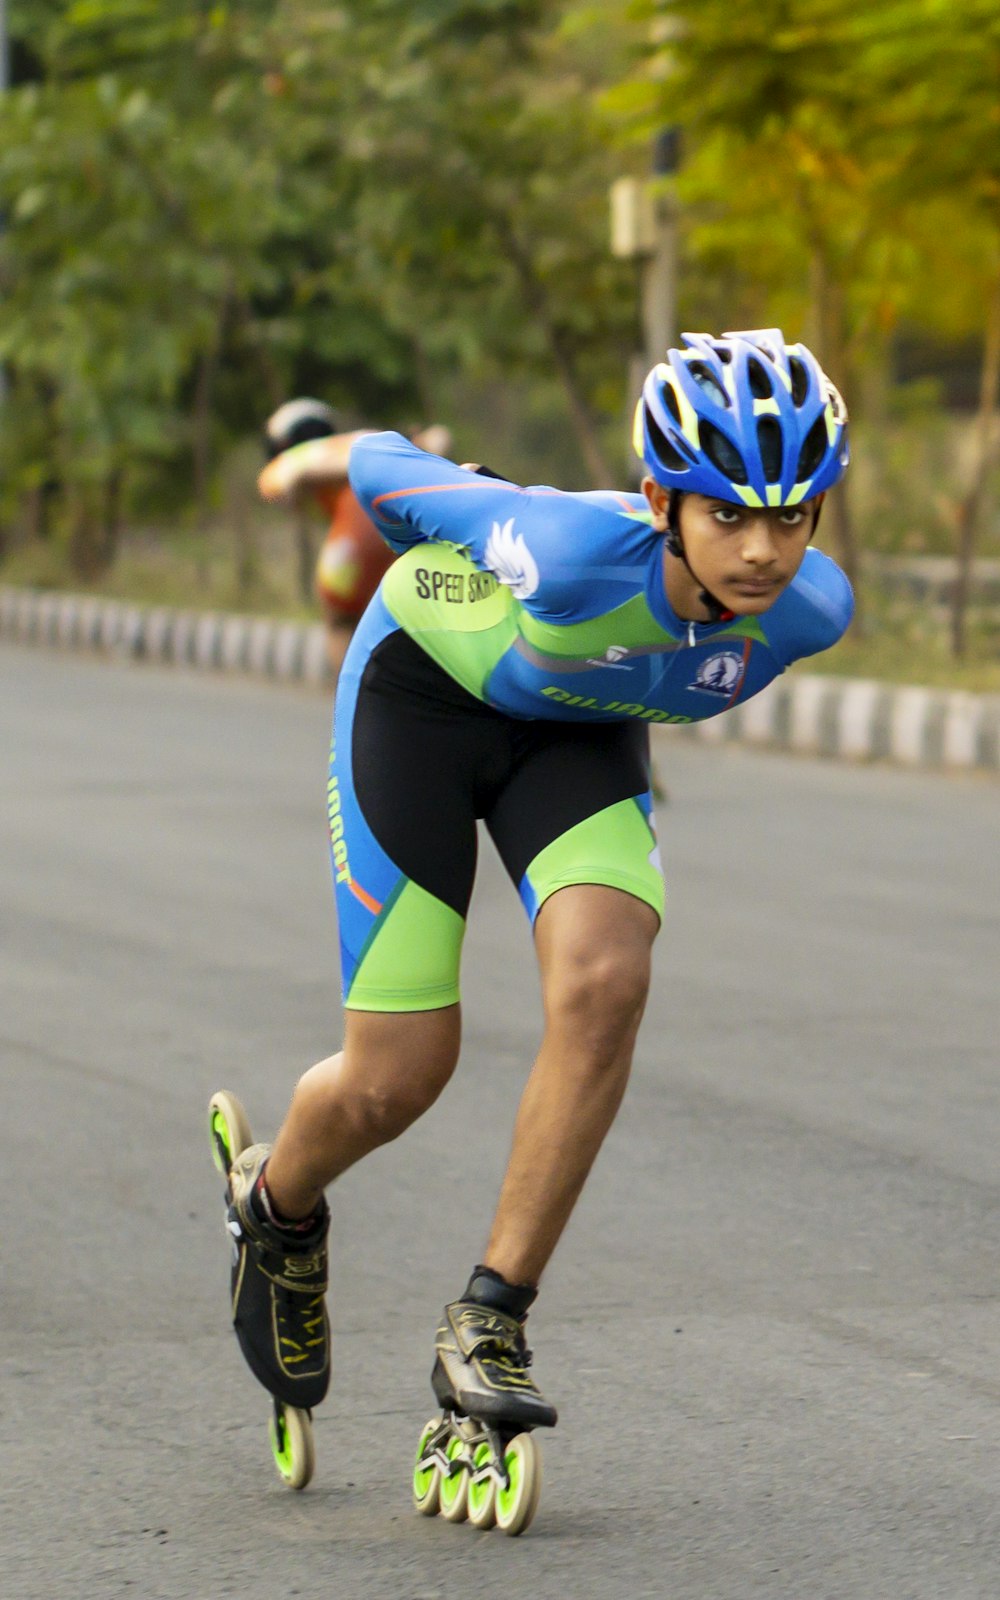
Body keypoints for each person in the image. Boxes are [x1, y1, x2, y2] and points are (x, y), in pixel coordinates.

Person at [213, 329, 852, 1530]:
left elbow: (690, 639)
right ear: (661, 499)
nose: (764, 548)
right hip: (421, 697)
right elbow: (388, 471)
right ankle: (275, 1206)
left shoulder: (811, 609)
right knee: (399, 1075)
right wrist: (338, 466)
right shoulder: (561, 553)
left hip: (572, 734)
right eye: (728, 514)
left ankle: (489, 1317)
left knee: (607, 982)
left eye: (794, 513)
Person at [258, 398, 451, 673]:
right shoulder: (372, 439)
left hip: (357, 534)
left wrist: (301, 480)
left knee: (340, 620)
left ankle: (354, 698)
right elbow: (441, 439)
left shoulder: (297, 458)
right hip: (412, 529)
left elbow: (276, 486)